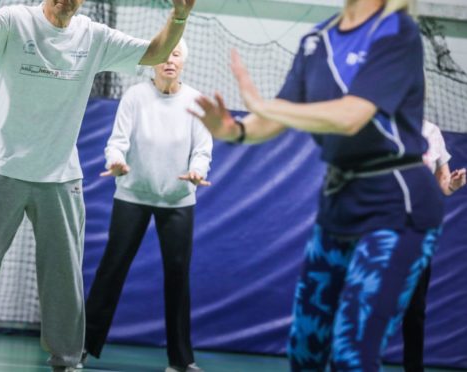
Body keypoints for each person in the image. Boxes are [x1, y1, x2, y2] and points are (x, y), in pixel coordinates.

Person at [0, 0, 196, 371]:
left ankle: (66, 361)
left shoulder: (94, 36)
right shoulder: (15, 20)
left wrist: (179, 15)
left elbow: (156, 52)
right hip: (3, 167)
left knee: (63, 275)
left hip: (61, 176)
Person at [190, 0, 444, 369]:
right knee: (307, 351)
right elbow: (278, 113)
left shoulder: (396, 31)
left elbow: (350, 116)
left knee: (351, 355)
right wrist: (238, 129)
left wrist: (264, 106)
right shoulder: (316, 39)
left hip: (396, 205)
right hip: (339, 205)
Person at [82, 40, 212, 372]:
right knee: (111, 270)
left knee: (178, 276)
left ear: (184, 61)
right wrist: (116, 161)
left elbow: (202, 149)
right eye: (165, 55)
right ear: (153, 61)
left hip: (178, 199)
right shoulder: (135, 97)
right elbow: (117, 142)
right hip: (132, 195)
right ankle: (80, 348)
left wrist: (198, 170)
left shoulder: (197, 101)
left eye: (177, 55)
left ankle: (181, 361)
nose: (170, 61)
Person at [402, 120, 466, 372]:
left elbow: (444, 184)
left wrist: (454, 184)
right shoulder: (381, 125)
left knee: (415, 310)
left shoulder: (431, 132)